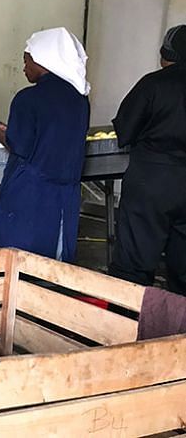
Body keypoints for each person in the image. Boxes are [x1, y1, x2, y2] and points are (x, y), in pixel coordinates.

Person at [0, 27, 90, 262]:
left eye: (27, 61)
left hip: (31, 190)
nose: (24, 67)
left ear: (43, 61)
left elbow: (20, 146)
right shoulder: (79, 98)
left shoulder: (28, 98)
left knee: (21, 256)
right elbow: (51, 134)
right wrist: (5, 127)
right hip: (64, 191)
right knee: (54, 253)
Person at [107, 25, 186, 293]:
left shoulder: (153, 84)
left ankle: (129, 323)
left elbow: (125, 129)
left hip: (151, 181)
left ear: (167, 54)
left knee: (134, 261)